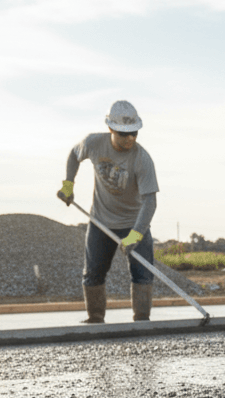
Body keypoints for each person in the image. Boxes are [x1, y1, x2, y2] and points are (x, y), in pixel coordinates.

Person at [57, 100, 159, 324]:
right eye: (124, 134)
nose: (130, 138)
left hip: (134, 224)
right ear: (111, 129)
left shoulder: (142, 159)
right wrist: (68, 185)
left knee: (142, 274)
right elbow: (74, 155)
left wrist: (136, 234)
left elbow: (150, 202)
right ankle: (95, 320)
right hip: (101, 222)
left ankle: (142, 323)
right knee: (93, 273)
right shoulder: (94, 143)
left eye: (134, 133)